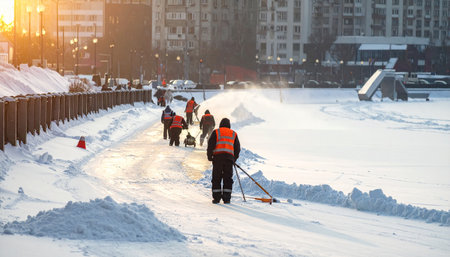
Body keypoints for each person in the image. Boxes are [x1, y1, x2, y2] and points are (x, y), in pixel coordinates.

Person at [207, 118, 240, 204]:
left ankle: (216, 198)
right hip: (229, 159)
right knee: (228, 178)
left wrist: (209, 156)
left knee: (216, 177)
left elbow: (210, 144)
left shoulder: (216, 132)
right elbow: (237, 148)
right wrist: (234, 158)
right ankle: (227, 198)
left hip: (218, 158)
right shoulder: (233, 134)